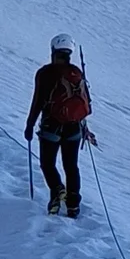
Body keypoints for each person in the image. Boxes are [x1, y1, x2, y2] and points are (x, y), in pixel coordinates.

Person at [25, 36, 91, 214]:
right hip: (74, 127)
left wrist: (30, 125)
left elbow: (37, 101)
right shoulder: (76, 72)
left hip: (51, 126)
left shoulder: (45, 73)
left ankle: (57, 190)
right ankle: (73, 205)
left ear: (53, 51)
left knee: (48, 164)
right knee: (71, 166)